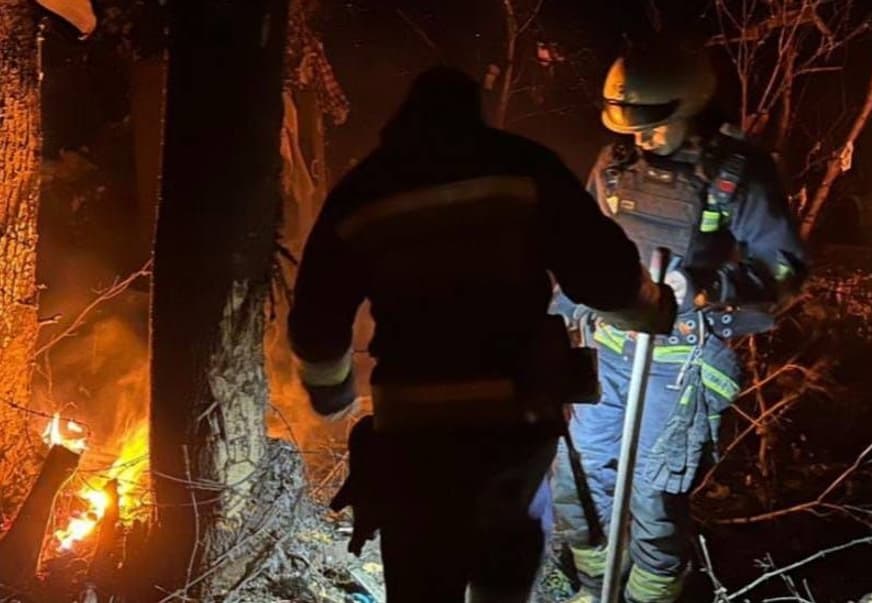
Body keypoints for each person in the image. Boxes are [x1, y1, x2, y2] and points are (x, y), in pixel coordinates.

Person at [287, 66, 678, 603]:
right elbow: (603, 273)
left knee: (422, 575)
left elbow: (315, 319)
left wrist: (333, 395)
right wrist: (651, 310)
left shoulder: (364, 190)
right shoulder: (524, 167)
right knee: (504, 569)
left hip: (412, 433)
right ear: (476, 114)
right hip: (513, 425)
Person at [551, 45, 809, 602]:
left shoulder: (737, 174)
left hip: (681, 365)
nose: (641, 137)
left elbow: (785, 271)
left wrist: (706, 289)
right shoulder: (614, 165)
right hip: (607, 354)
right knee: (575, 474)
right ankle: (596, 586)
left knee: (652, 493)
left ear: (690, 106)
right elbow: (583, 253)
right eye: (632, 126)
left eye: (655, 126)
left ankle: (651, 595)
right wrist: (552, 319)